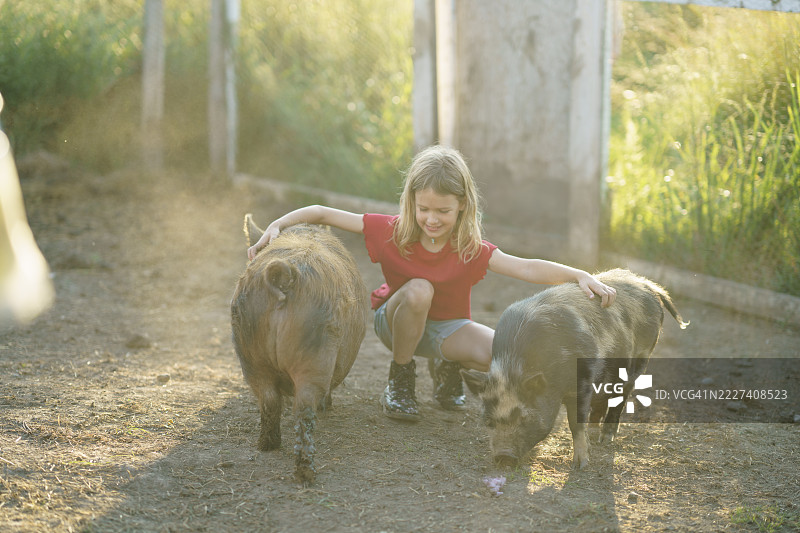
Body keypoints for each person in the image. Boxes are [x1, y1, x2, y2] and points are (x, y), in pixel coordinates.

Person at [247, 145, 616, 422]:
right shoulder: (390, 230)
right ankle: (401, 379)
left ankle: (447, 369)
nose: (432, 219)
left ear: (462, 206)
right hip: (397, 320)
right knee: (420, 289)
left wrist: (580, 275)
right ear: (411, 202)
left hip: (448, 328)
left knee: (506, 352)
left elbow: (527, 268)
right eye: (424, 209)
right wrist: (279, 225)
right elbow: (322, 212)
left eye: (443, 211)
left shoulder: (470, 247)